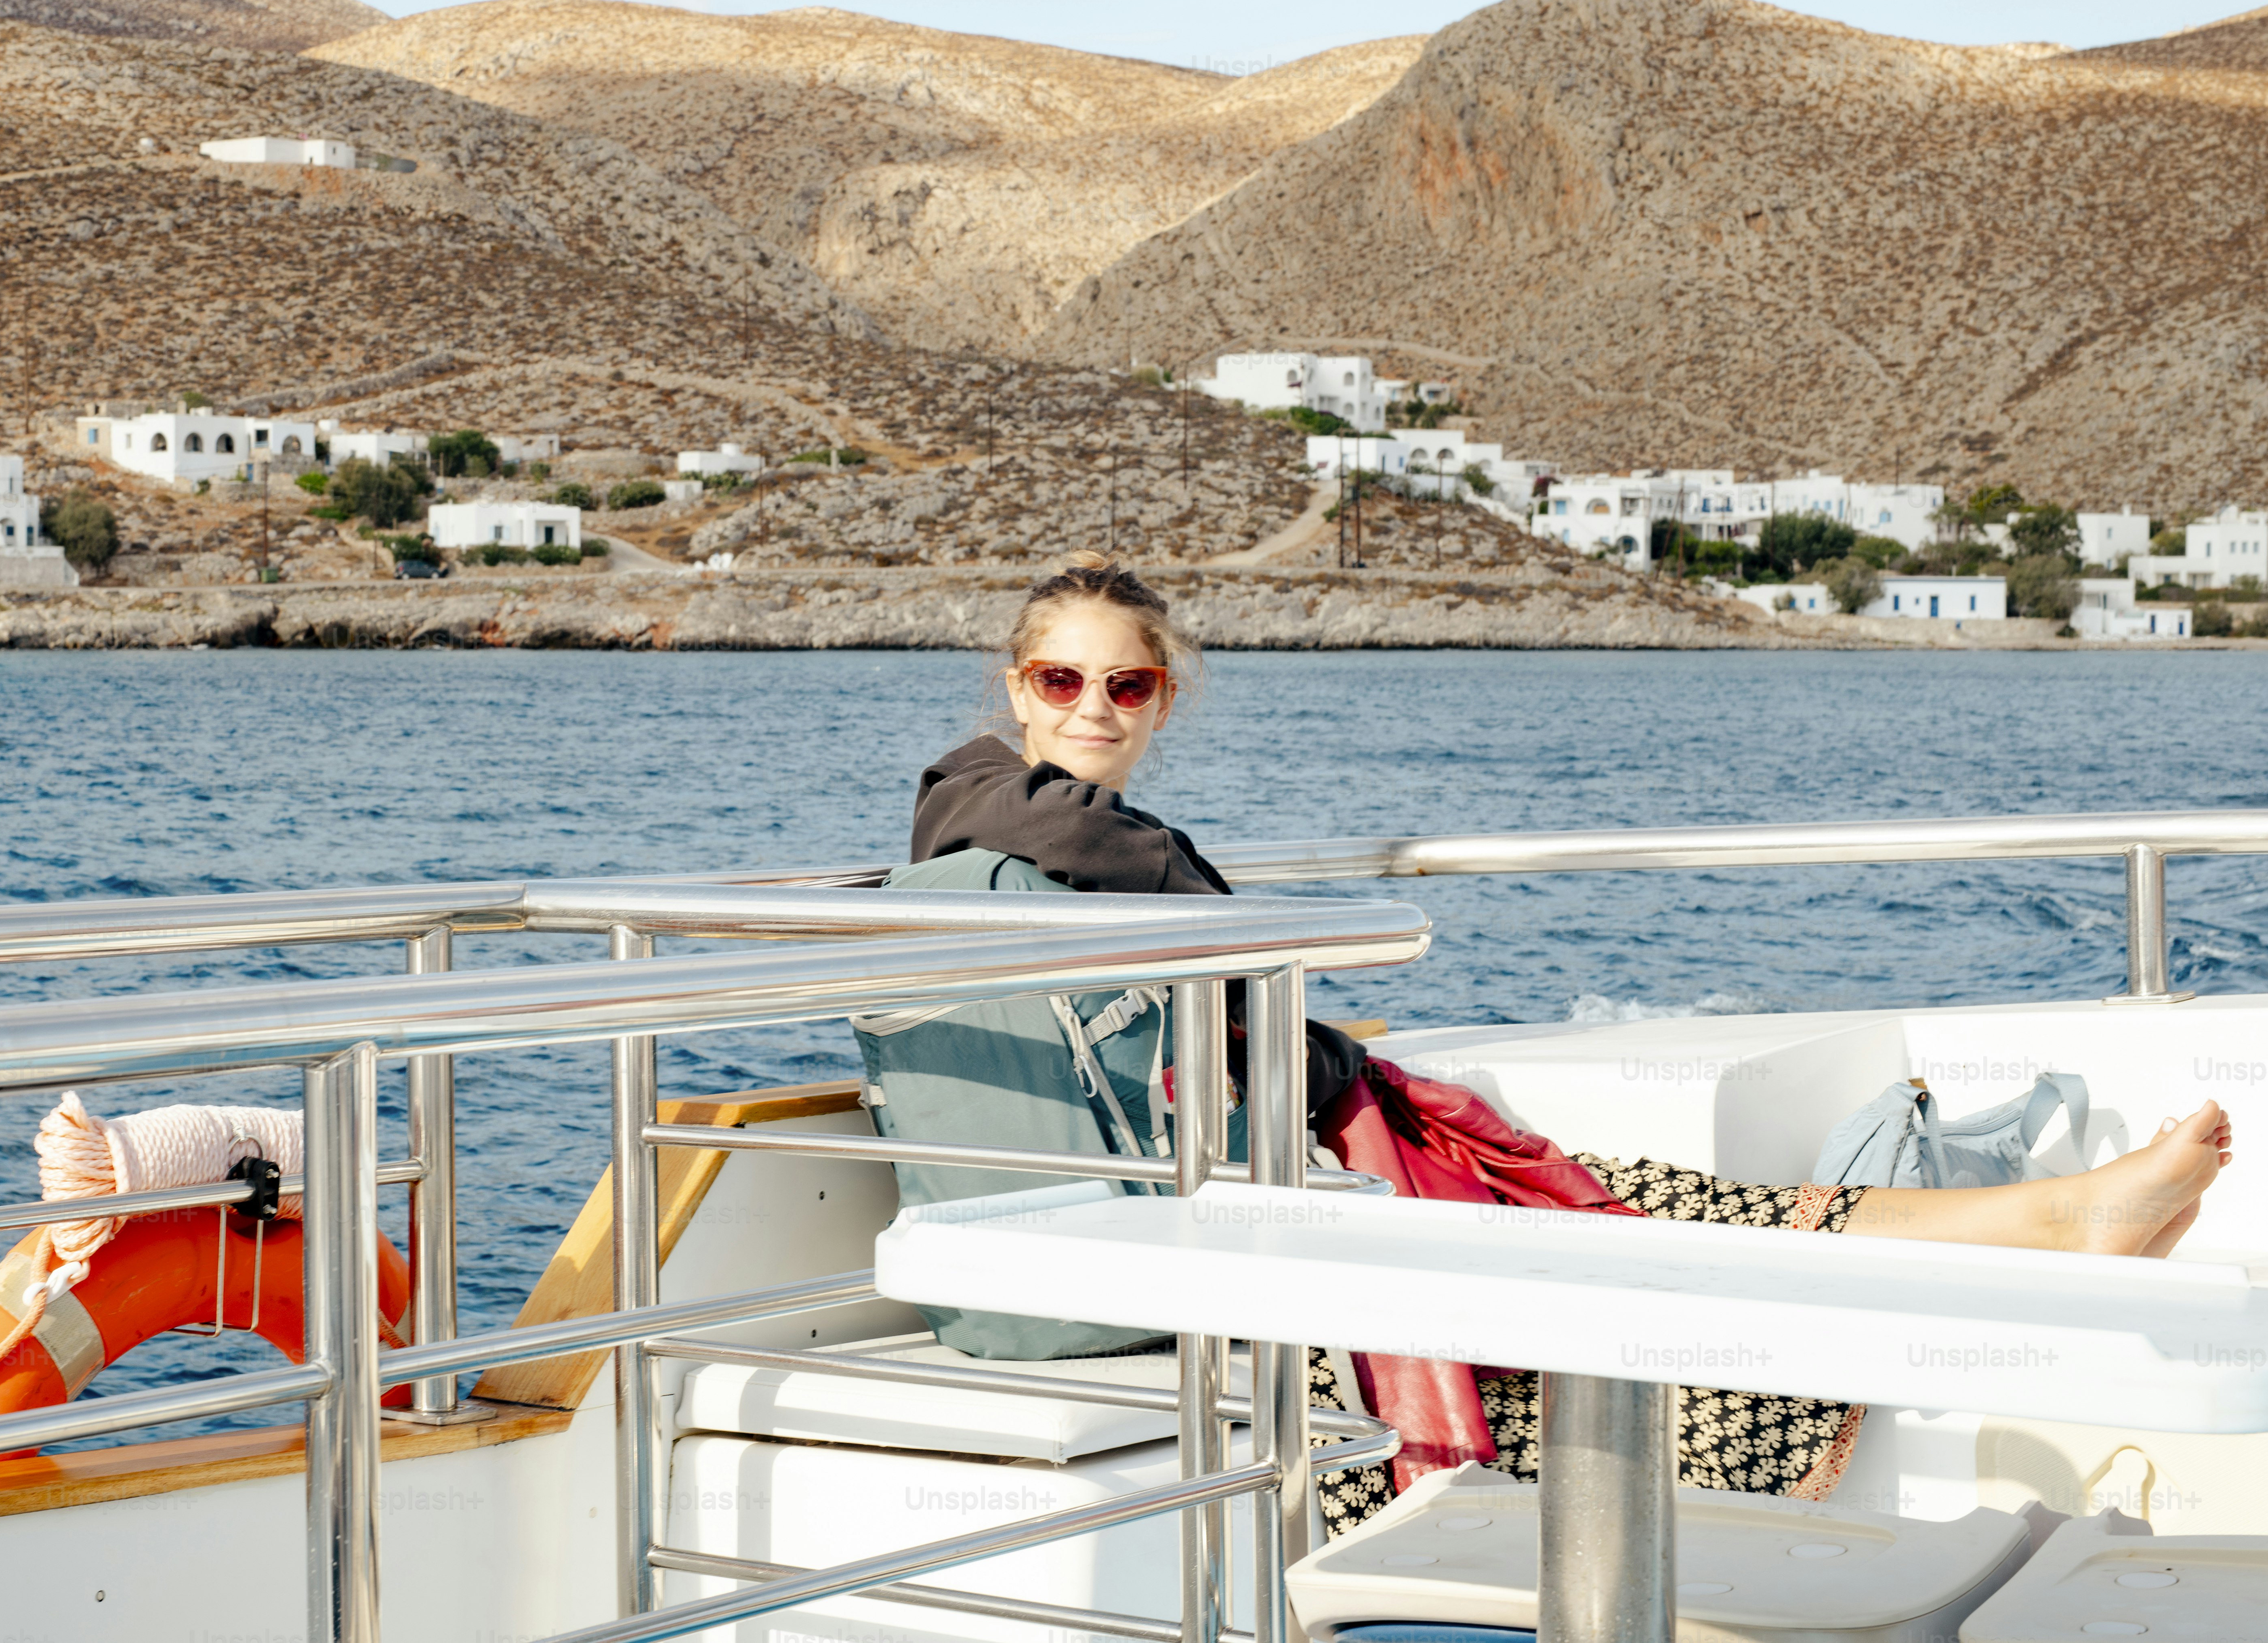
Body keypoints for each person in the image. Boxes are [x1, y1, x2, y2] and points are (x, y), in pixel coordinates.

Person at [907, 550, 2235, 1536]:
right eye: (1060, 678)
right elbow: (1072, 852)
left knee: (1648, 1207)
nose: (1094, 704)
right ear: (1016, 692)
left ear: (1162, 701)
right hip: (1231, 1234)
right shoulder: (1011, 821)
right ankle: (2050, 1229)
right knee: (1645, 1231)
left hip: (1291, 1170)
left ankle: (2055, 1224)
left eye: (1125, 682)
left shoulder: (1071, 840)